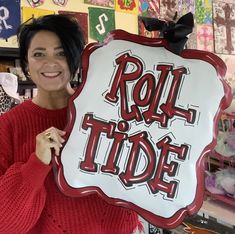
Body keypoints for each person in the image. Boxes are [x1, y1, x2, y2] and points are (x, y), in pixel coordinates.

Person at [0, 14, 140, 234]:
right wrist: (36, 163)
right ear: (26, 62)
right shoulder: (7, 126)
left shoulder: (105, 113)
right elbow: (5, 224)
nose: (50, 63)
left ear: (75, 58)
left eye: (61, 53)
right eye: (39, 54)